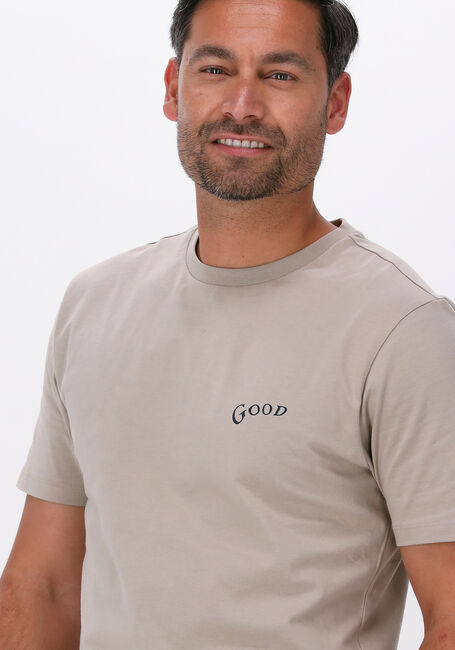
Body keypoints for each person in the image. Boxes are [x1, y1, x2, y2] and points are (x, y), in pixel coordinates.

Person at [1, 0, 455, 648]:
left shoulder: (402, 330)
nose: (242, 106)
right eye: (215, 69)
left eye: (279, 75)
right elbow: (40, 587)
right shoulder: (95, 306)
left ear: (335, 103)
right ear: (173, 88)